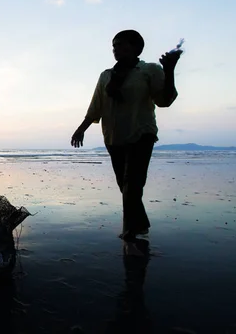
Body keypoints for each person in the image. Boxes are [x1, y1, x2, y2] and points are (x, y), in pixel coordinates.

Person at [70, 30, 180, 255]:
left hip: (142, 134)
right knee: (125, 185)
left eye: (121, 45)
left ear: (137, 48)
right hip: (114, 137)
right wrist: (81, 129)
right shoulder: (106, 75)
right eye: (114, 46)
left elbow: (165, 100)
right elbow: (96, 106)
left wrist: (169, 70)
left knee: (133, 184)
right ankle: (141, 224)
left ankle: (129, 230)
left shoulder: (149, 70)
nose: (116, 50)